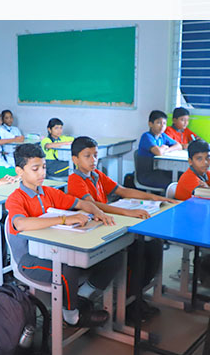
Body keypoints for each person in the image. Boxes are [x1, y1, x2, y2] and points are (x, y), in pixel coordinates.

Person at [5, 143, 120, 327]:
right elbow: (20, 223)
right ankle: (71, 315)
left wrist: (98, 212)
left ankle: (81, 297)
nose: (42, 173)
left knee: (112, 257)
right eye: (35, 169)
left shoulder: (49, 192)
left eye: (43, 167)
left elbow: (82, 204)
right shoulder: (16, 198)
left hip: (55, 249)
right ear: (19, 171)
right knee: (67, 269)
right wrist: (63, 219)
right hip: (29, 260)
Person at [68, 136, 179, 320]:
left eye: (95, 155)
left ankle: (136, 296)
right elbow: (93, 205)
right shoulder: (75, 180)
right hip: (91, 232)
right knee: (135, 253)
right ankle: (127, 302)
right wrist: (128, 212)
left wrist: (154, 198)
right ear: (75, 159)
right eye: (87, 156)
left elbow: (123, 191)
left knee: (152, 246)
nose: (93, 160)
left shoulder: (97, 175)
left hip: (105, 225)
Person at [136, 110, 178, 190]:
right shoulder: (146, 136)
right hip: (147, 175)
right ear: (150, 124)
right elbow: (158, 152)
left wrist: (166, 149)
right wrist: (162, 149)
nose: (162, 126)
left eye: (164, 123)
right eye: (159, 123)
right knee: (173, 183)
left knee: (180, 177)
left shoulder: (162, 136)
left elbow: (178, 145)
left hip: (159, 171)